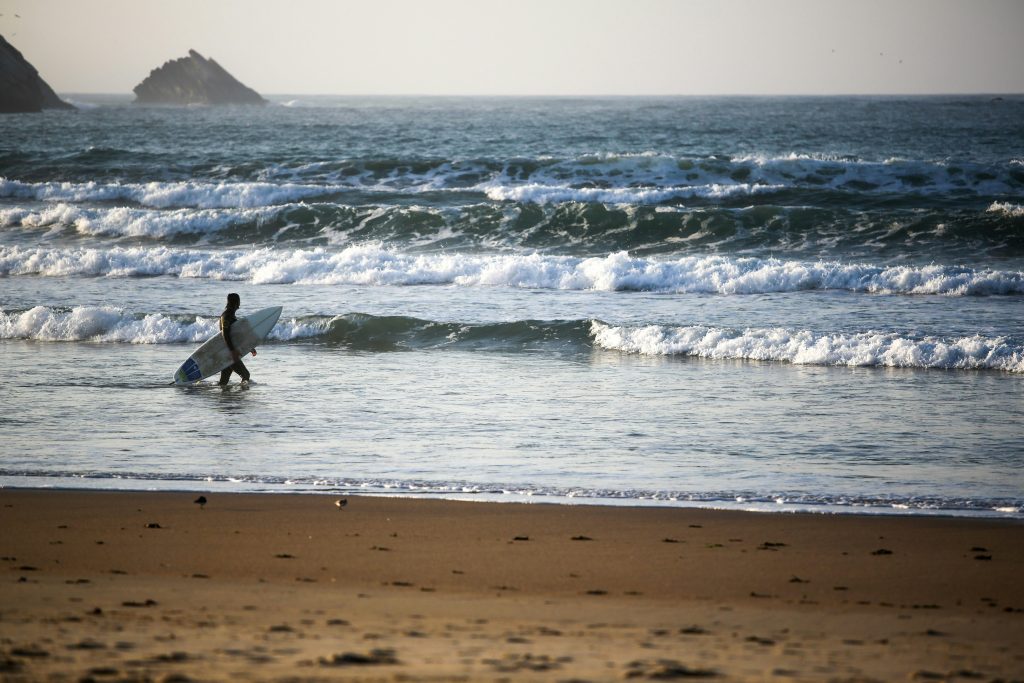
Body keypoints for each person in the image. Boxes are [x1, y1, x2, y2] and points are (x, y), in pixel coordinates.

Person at [219, 292, 256, 386]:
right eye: (239, 301)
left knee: (223, 381)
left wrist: (249, 347)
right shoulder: (227, 316)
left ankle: (225, 398)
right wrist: (232, 351)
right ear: (236, 303)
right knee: (245, 375)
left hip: (228, 352)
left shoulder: (230, 315)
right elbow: (225, 335)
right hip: (229, 353)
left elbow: (236, 336)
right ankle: (240, 397)